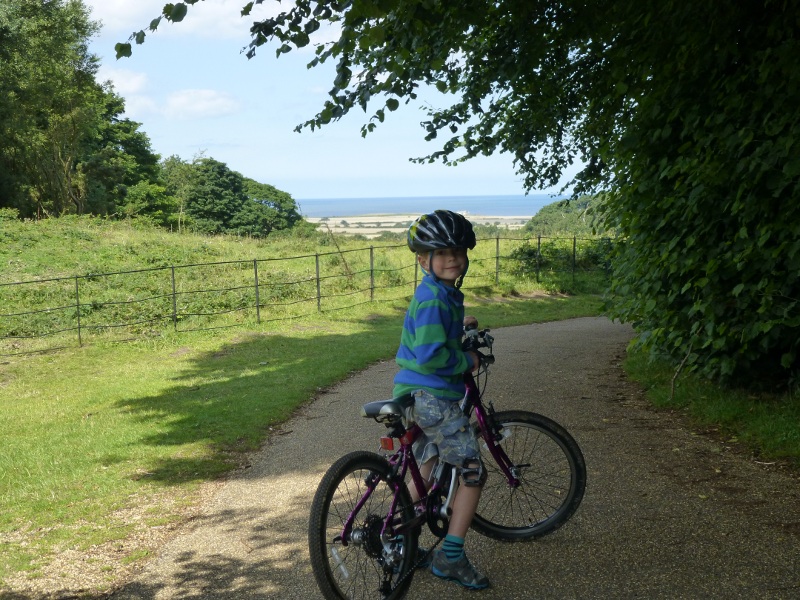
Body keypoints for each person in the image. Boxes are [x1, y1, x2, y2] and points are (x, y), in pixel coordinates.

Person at [393, 209, 490, 590]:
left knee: (427, 465)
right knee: (473, 472)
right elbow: (432, 355)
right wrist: (468, 358)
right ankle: (451, 556)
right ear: (422, 260)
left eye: (459, 251)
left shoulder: (440, 294)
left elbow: (433, 330)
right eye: (443, 252)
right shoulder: (435, 298)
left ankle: (398, 536)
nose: (453, 258)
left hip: (413, 393)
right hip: (433, 395)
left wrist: (461, 324)